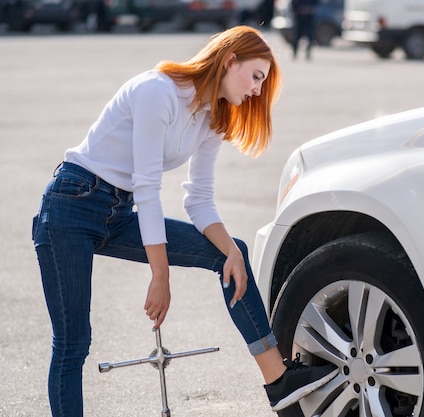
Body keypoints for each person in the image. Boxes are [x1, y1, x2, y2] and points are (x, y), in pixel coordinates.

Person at [31, 26, 338, 417]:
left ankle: (277, 380)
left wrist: (229, 250)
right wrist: (161, 276)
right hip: (71, 205)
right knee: (74, 342)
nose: (258, 91)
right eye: (256, 76)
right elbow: (147, 185)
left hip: (118, 214)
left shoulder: (212, 118)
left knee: (233, 254)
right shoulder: (157, 92)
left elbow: (199, 200)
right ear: (230, 60)